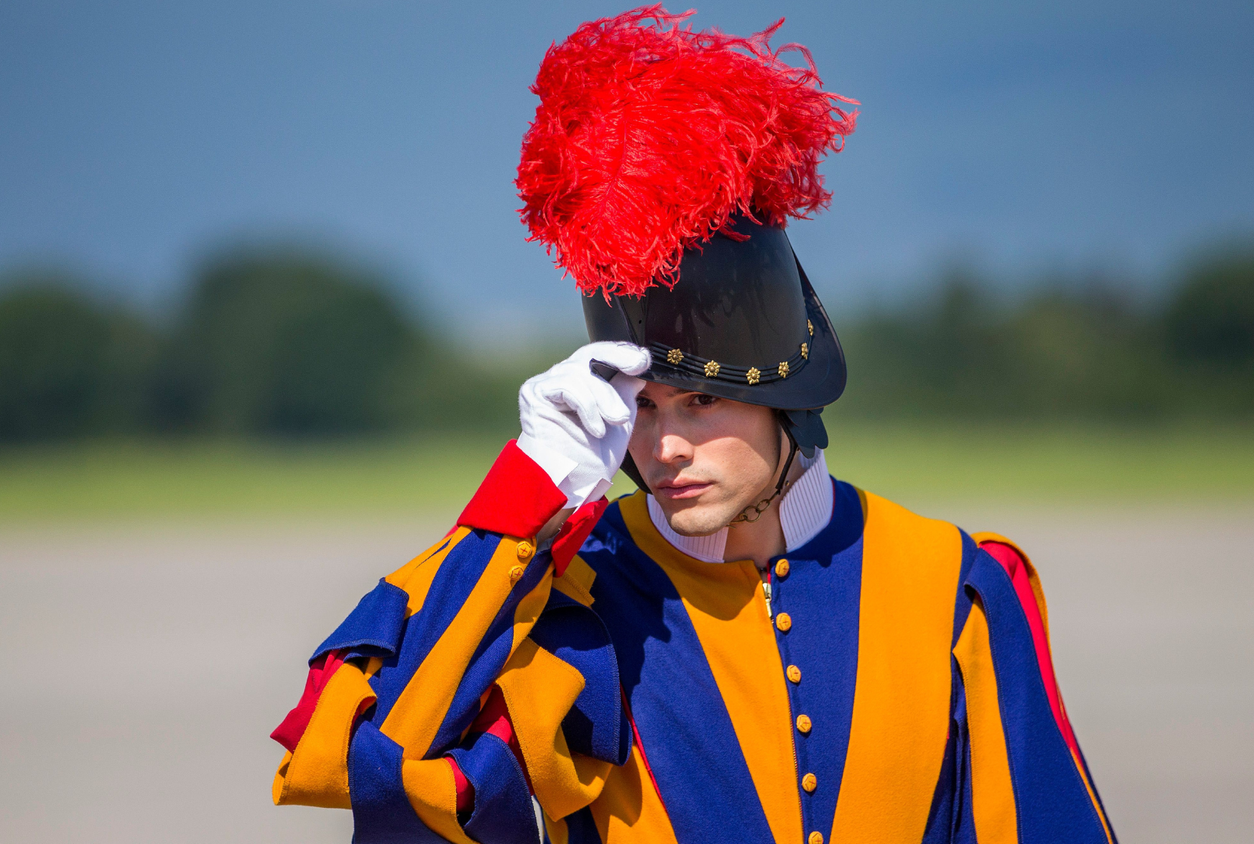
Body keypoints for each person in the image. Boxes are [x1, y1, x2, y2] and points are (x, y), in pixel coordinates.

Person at [270, 7, 1115, 843]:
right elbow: (358, 760)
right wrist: (518, 504)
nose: (662, 446)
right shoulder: (568, 596)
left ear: (787, 392)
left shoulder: (955, 583)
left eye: (701, 401)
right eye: (642, 409)